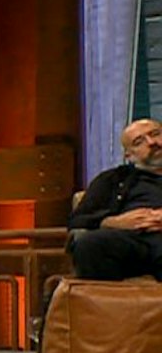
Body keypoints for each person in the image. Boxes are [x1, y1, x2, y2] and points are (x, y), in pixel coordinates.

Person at [69, 118, 162, 280]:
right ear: (129, 155)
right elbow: (78, 220)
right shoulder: (112, 179)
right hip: (133, 243)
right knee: (90, 244)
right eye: (139, 142)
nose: (152, 142)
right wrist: (113, 222)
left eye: (155, 134)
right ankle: (108, 304)